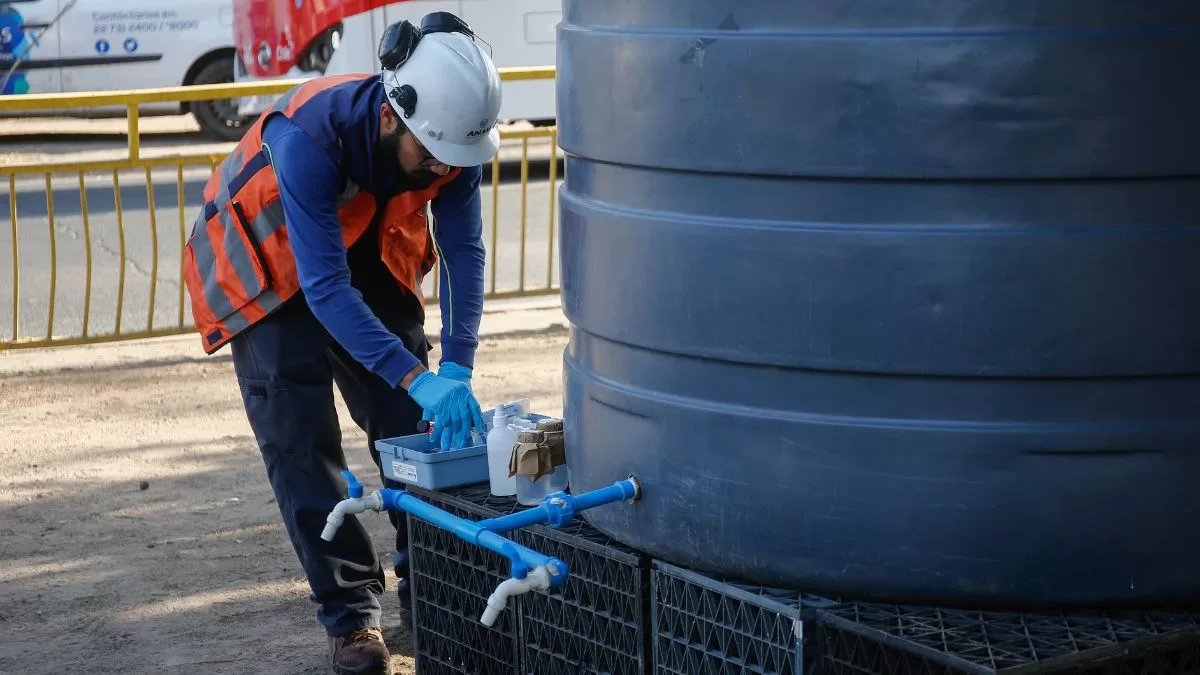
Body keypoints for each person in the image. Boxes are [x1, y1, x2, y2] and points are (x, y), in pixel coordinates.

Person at [181, 12, 500, 675]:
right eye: (432, 157)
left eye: (454, 160)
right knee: (303, 444)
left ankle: (434, 594)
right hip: (269, 270)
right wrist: (415, 375)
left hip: (361, 251)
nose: (443, 170)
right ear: (389, 118)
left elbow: (464, 251)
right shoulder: (309, 138)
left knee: (415, 430)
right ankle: (352, 616)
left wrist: (456, 364)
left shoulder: (449, 135)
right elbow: (324, 289)